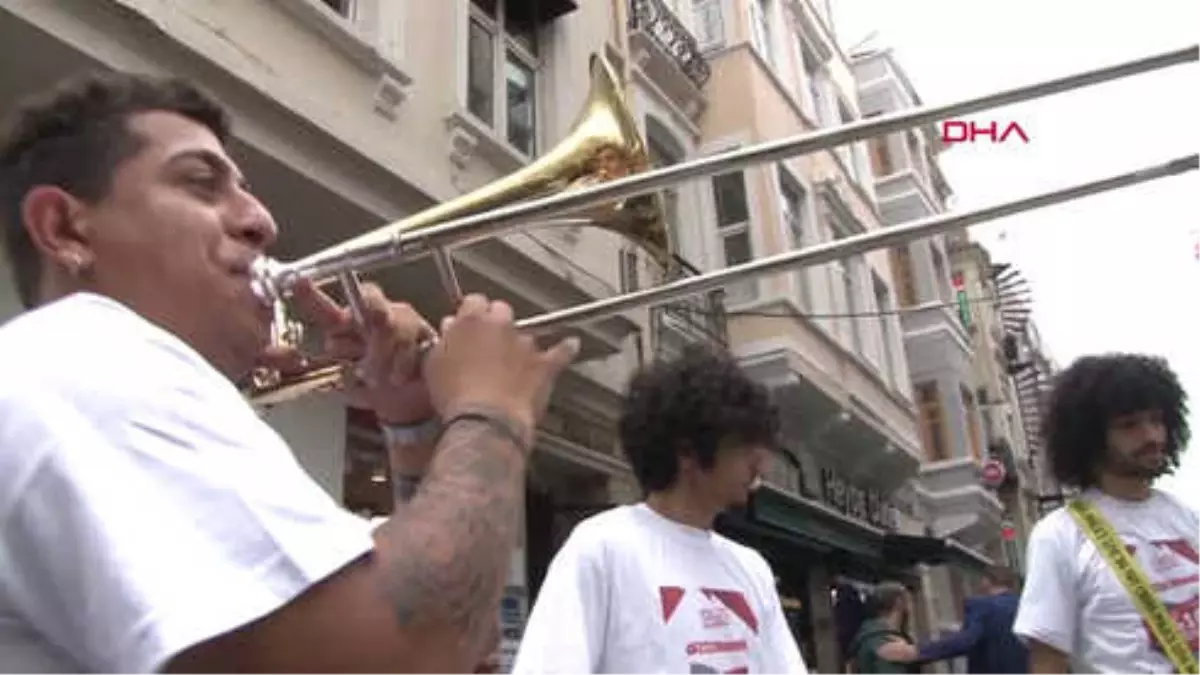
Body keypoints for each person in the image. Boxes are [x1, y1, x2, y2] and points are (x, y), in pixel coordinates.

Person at [0, 70, 580, 674]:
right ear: (65, 230)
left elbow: (462, 648)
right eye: (201, 184)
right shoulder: (92, 353)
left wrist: (411, 430)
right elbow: (392, 659)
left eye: (244, 189)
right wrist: (494, 412)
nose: (261, 220)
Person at [510, 345, 807, 674]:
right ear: (688, 452)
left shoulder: (752, 569)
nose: (761, 468)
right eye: (745, 448)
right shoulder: (602, 547)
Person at [1013, 353, 1200, 674]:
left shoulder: (1187, 519)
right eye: (1130, 425)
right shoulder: (1058, 536)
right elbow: (1048, 660)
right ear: (1090, 438)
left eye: (1156, 420)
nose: (1152, 437)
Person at [916, 565, 1027, 675]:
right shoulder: (1025, 607)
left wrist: (919, 652)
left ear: (986, 581)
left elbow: (966, 640)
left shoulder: (982, 606)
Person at [847, 582, 921, 675]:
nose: (912, 605)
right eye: (910, 600)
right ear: (899, 602)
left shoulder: (867, 635)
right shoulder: (886, 640)